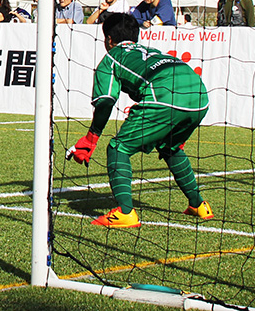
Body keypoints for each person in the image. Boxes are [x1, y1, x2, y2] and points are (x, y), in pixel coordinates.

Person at [67, 13, 213, 228]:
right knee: (169, 146)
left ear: (108, 39)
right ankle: (199, 205)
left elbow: (106, 101)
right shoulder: (150, 51)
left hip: (165, 96)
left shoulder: (112, 58)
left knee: (118, 148)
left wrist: (91, 139)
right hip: (199, 96)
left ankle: (125, 212)